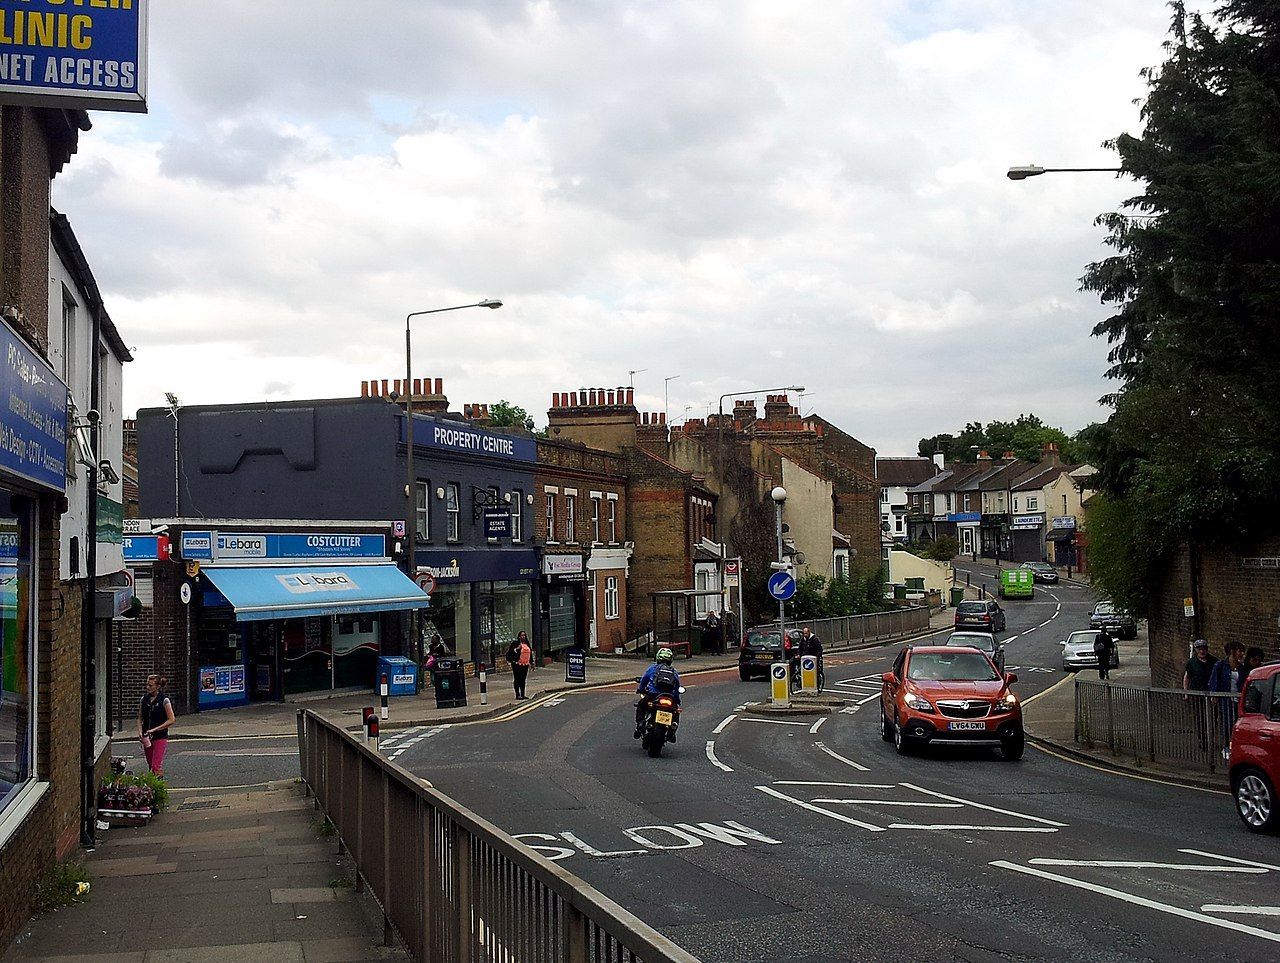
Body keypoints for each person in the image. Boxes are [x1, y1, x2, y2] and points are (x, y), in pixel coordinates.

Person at [1208, 641, 1247, 759]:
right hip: (1226, 699)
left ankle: (1236, 747)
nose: (1242, 654)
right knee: (1228, 724)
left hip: (1238, 700)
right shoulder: (1220, 665)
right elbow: (1214, 681)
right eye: (1240, 651)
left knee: (1238, 725)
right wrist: (1214, 696)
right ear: (1232, 652)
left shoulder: (1241, 668)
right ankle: (1226, 747)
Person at [635, 647, 681, 739]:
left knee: (641, 705)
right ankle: (672, 729)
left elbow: (644, 680)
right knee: (675, 711)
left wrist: (640, 689)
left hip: (653, 695)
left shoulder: (653, 668)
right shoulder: (673, 672)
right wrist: (676, 699)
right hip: (669, 697)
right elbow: (677, 687)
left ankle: (640, 724)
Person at [138, 674, 174, 777]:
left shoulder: (164, 700)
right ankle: (152, 789)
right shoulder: (143, 699)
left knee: (155, 766)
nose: (148, 688)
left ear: (158, 686)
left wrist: (155, 729)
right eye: (147, 685)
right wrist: (140, 731)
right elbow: (140, 718)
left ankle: (158, 789)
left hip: (160, 736)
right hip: (146, 737)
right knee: (150, 765)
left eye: (151, 685)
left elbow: (171, 720)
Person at [1183, 639, 1217, 749]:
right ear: (1196, 650)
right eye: (1199, 649)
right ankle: (1202, 740)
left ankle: (1210, 738)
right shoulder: (1191, 663)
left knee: (1212, 718)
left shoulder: (1214, 661)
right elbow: (1187, 677)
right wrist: (1186, 692)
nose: (1202, 651)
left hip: (1211, 693)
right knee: (1199, 717)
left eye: (1204, 648)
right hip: (1197, 694)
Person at [506, 631, 532, 700]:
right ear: (519, 636)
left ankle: (523, 694)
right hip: (517, 665)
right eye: (522, 635)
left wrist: (531, 663)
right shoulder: (515, 644)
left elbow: (530, 654)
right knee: (517, 679)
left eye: (524, 635)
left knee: (523, 680)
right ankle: (517, 695)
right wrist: (517, 649)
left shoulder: (527, 644)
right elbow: (510, 652)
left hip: (525, 665)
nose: (523, 636)